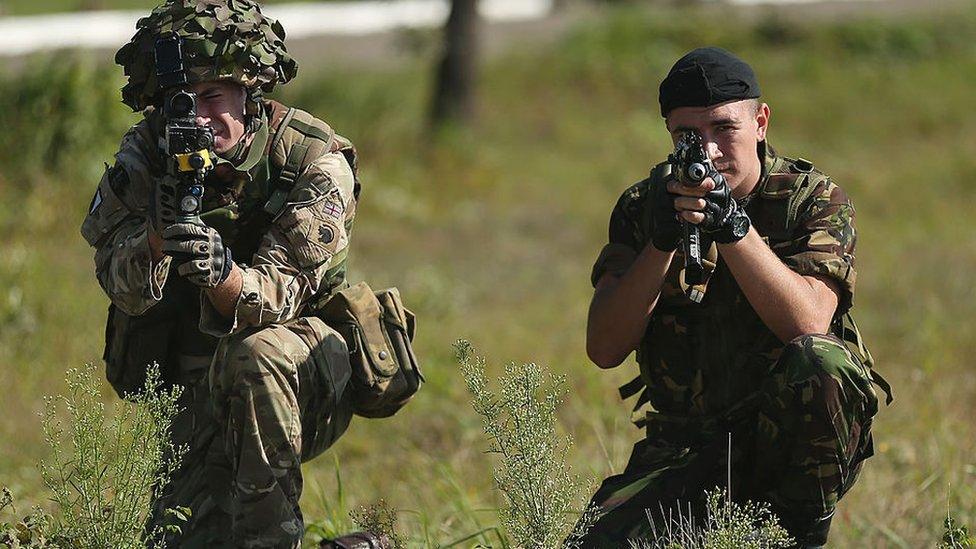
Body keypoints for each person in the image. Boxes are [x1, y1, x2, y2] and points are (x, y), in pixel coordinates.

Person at [80, 1, 417, 546]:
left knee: (254, 355)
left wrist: (221, 275)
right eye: (176, 102)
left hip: (303, 373)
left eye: (212, 95)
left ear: (249, 88)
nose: (195, 117)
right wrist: (156, 242)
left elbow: (283, 294)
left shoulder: (310, 156)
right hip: (199, 386)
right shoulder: (146, 154)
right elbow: (119, 285)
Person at [581, 47, 890, 548]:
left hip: (785, 441)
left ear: (761, 122)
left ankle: (797, 536)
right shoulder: (644, 207)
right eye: (688, 136)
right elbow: (604, 347)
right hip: (684, 445)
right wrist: (661, 242)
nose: (709, 151)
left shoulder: (808, 200)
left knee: (824, 362)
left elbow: (808, 321)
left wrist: (733, 228)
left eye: (725, 129)